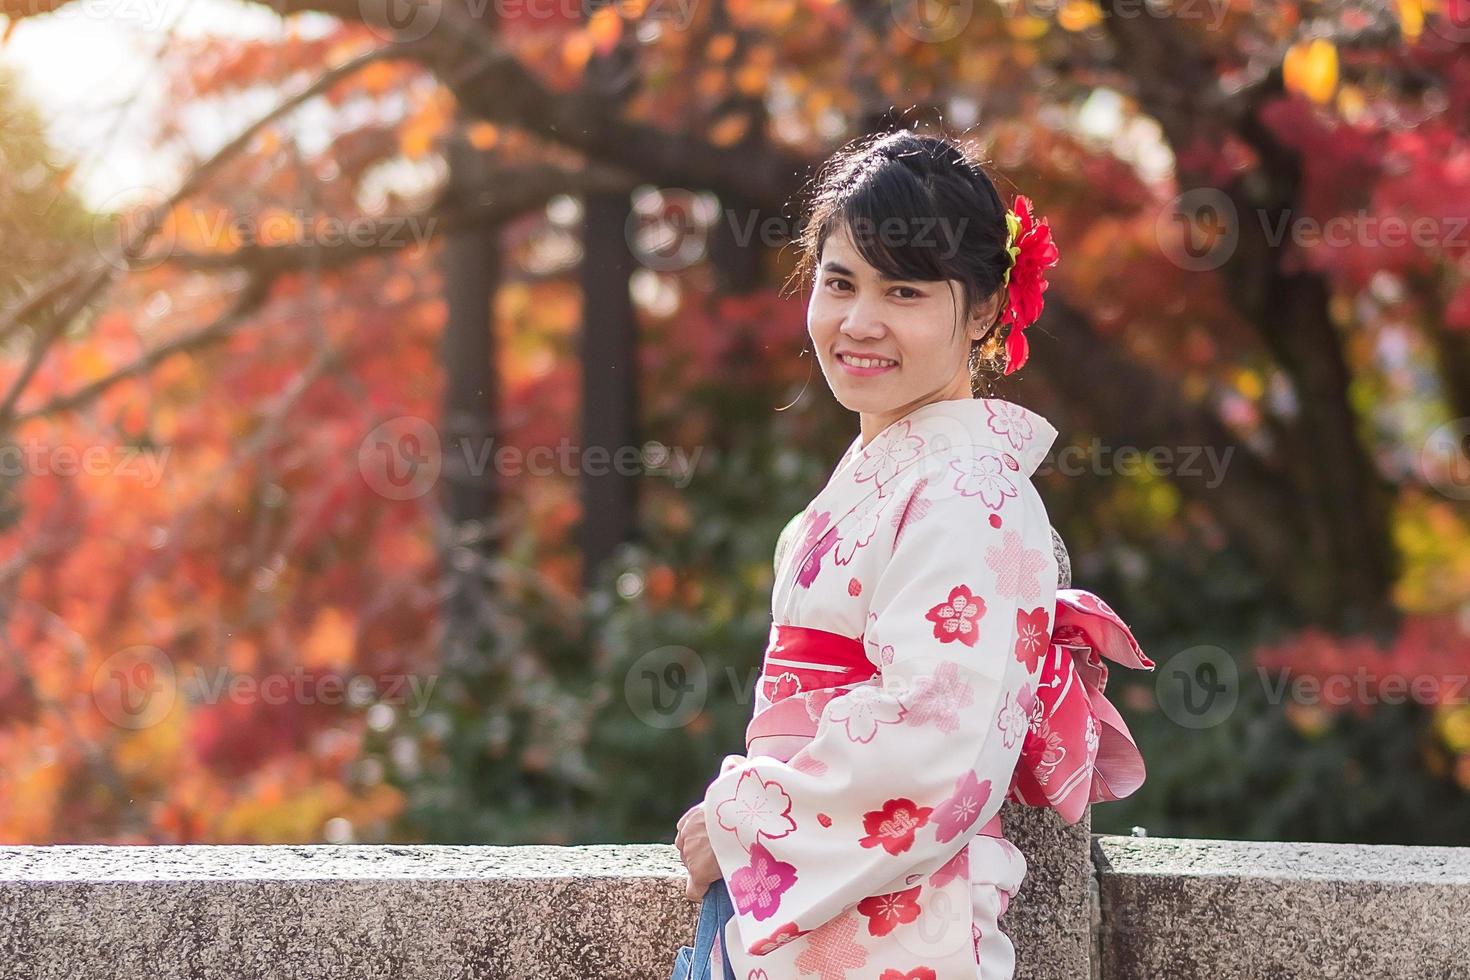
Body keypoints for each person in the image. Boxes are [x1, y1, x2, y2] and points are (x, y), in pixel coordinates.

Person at [674, 129, 1154, 979]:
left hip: (894, 929)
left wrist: (747, 820)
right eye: (839, 282)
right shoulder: (895, 477)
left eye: (904, 291)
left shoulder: (973, 495)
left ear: (981, 313)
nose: (860, 322)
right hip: (806, 909)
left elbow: (940, 741)